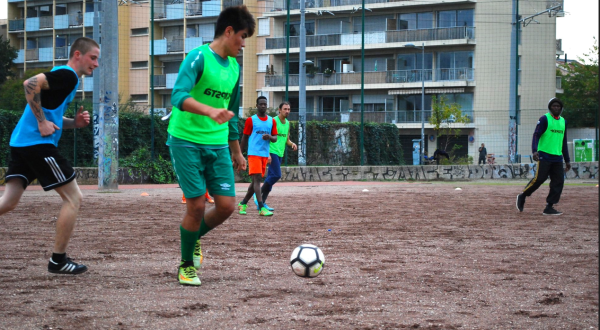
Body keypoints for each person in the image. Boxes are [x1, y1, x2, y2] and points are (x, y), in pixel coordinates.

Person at [167, 5, 254, 286]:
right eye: (242, 36)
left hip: (217, 145)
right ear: (228, 32)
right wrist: (208, 111)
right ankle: (185, 266)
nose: (243, 44)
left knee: (227, 206)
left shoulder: (235, 69)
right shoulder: (198, 57)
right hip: (186, 141)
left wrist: (237, 152)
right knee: (195, 207)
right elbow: (178, 96)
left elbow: (230, 114)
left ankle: (192, 239)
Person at [0, 37, 100, 275]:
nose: (96, 64)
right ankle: (58, 261)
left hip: (22, 142)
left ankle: (59, 260)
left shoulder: (63, 76)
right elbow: (29, 83)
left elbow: (49, 115)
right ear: (78, 54)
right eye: (93, 58)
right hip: (36, 145)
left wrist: (73, 124)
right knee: (74, 198)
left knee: (8, 202)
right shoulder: (68, 75)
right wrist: (42, 122)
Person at [516, 97, 571, 215]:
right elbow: (536, 135)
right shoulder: (544, 119)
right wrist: (534, 151)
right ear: (550, 108)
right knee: (539, 179)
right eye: (554, 106)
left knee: (558, 182)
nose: (556, 108)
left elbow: (563, 142)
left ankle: (549, 207)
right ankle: (523, 195)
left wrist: (567, 160)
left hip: (557, 157)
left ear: (561, 108)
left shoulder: (563, 122)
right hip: (544, 155)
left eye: (558, 106)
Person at [252, 101, 297, 211]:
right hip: (272, 152)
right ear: (279, 110)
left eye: (289, 109)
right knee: (276, 175)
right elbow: (266, 138)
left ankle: (261, 204)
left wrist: (292, 144)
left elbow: (286, 140)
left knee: (270, 179)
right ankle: (258, 192)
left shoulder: (287, 123)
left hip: (280, 153)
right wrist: (267, 154)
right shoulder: (273, 121)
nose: (287, 111)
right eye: (285, 109)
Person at [238, 96, 277, 216]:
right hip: (254, 153)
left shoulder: (272, 121)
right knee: (258, 179)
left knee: (255, 180)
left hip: (264, 154)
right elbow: (244, 137)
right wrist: (239, 154)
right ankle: (261, 207)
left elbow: (275, 138)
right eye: (261, 104)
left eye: (265, 104)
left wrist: (269, 137)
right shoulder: (251, 120)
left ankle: (243, 203)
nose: (263, 106)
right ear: (257, 106)